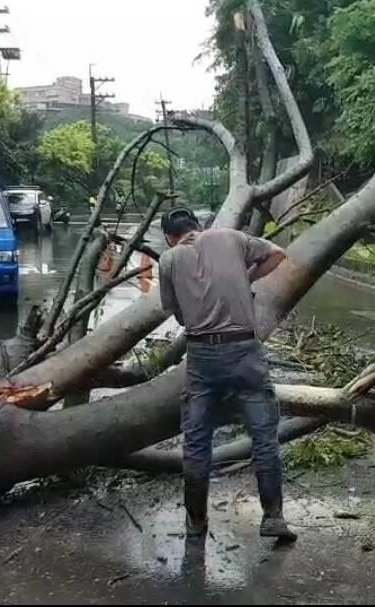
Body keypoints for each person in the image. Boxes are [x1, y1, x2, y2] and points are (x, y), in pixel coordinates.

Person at [157, 207, 295, 542]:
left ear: (168, 237)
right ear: (198, 226)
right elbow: (277, 254)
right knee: (264, 437)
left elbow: (175, 314)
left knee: (197, 443)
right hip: (245, 353)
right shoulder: (231, 237)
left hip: (202, 359)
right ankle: (273, 517)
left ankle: (196, 523)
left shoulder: (168, 260)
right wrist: (245, 278)